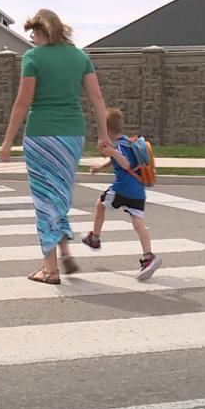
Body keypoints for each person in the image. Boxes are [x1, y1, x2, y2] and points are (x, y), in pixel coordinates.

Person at [0, 9, 111, 285]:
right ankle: (62, 252)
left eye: (33, 34)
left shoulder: (33, 58)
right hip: (73, 135)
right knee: (59, 195)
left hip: (41, 136)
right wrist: (104, 136)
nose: (32, 40)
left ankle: (50, 269)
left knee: (44, 200)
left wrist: (7, 141)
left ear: (41, 31)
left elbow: (23, 103)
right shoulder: (80, 57)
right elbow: (97, 98)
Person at [83, 108, 161, 281]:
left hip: (123, 188)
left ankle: (94, 238)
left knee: (100, 203)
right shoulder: (127, 142)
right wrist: (100, 167)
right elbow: (116, 160)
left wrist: (111, 152)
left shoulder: (118, 146)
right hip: (137, 190)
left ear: (107, 131)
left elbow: (124, 163)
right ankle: (149, 257)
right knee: (138, 223)